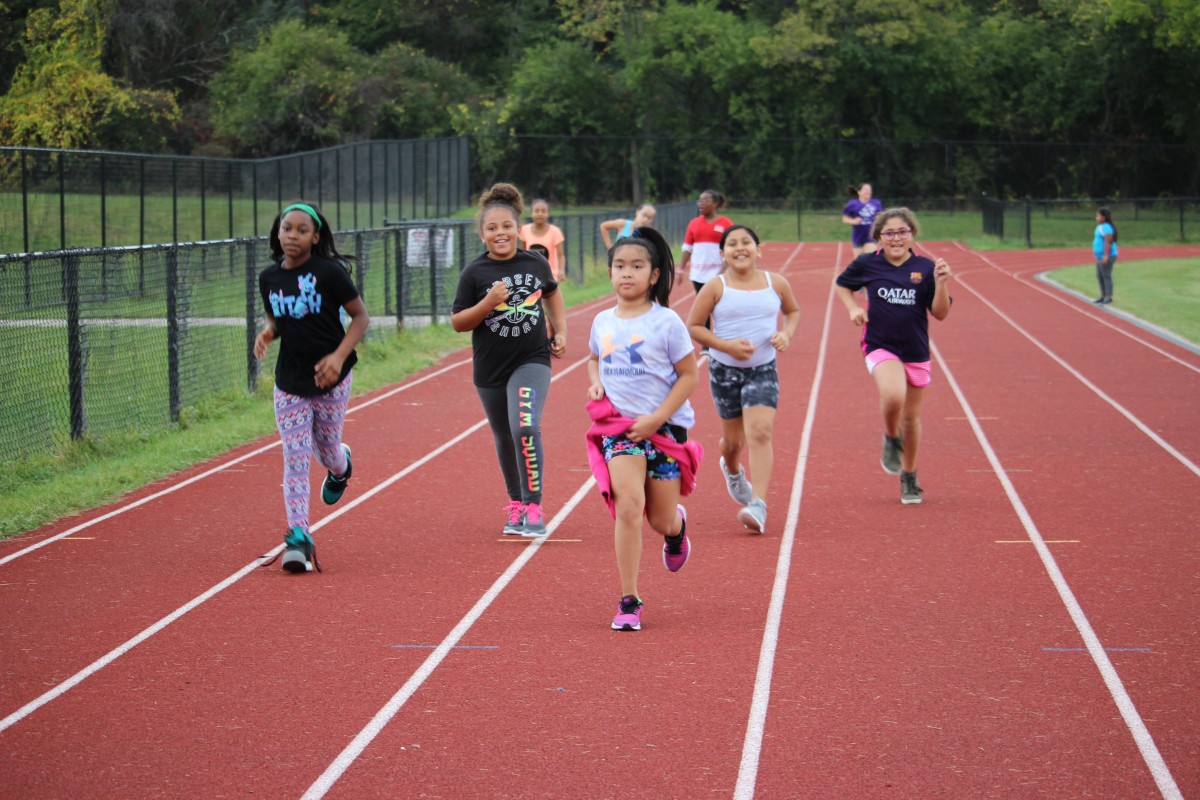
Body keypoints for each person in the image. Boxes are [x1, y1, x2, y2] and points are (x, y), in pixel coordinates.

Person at [585, 226, 703, 631]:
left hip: (665, 432)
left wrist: (657, 418)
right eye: (619, 266)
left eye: (637, 266)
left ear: (654, 275)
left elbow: (689, 376)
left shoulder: (667, 322)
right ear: (610, 271)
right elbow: (592, 357)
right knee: (629, 507)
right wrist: (596, 378)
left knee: (659, 519)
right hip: (620, 431)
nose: (627, 273)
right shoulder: (601, 320)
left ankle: (676, 530)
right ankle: (629, 599)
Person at [254, 202, 369, 573]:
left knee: (328, 450)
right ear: (278, 232)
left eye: (302, 230)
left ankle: (340, 467)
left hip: (332, 378)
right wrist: (269, 332)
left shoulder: (329, 273)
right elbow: (279, 316)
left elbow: (360, 317)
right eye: (287, 228)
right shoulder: (269, 278)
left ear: (315, 237)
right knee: (296, 456)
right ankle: (299, 537)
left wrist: (337, 358)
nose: (292, 235)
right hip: (290, 381)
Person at [453, 183, 568, 537]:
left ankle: (534, 506)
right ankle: (516, 504)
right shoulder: (474, 273)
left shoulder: (534, 261)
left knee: (525, 428)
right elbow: (459, 322)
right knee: (504, 436)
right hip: (489, 369)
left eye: (506, 226)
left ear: (517, 230)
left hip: (531, 359)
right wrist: (488, 303)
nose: (500, 233)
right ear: (482, 234)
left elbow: (551, 292)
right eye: (492, 228)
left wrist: (559, 329)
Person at [833, 207, 952, 505]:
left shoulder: (925, 268)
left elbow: (940, 313)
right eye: (889, 233)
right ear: (879, 237)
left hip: (915, 350)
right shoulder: (867, 264)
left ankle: (909, 477)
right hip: (879, 344)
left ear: (912, 235)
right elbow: (842, 285)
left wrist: (941, 283)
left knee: (911, 419)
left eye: (902, 231)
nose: (896, 238)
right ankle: (890, 437)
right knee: (893, 394)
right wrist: (853, 308)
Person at [686, 225, 801, 533]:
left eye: (746, 242)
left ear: (758, 249)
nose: (740, 247)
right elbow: (694, 326)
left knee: (761, 431)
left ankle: (759, 505)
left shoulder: (775, 283)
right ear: (722, 254)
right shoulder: (715, 286)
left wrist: (786, 334)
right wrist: (726, 346)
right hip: (724, 371)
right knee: (733, 441)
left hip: (763, 368)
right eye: (732, 243)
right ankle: (733, 468)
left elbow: (792, 312)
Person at [679, 190, 733, 334]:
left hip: (719, 274)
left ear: (714, 204)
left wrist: (724, 269)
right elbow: (687, 248)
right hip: (698, 274)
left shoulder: (725, 223)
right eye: (699, 201)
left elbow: (731, 248)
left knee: (719, 306)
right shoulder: (694, 223)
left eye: (705, 201)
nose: (700, 204)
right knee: (703, 306)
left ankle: (724, 334)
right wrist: (680, 269)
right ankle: (707, 342)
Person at [519, 198, 567, 281]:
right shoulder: (524, 230)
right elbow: (523, 253)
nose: (540, 214)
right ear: (531, 213)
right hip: (531, 276)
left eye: (543, 211)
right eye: (536, 211)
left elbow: (560, 255)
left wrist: (561, 270)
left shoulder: (555, 232)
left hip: (551, 275)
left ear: (548, 214)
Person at [841, 183, 883, 256]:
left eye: (870, 190)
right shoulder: (852, 204)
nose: (868, 191)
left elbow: (881, 217)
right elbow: (845, 219)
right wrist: (853, 221)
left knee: (869, 259)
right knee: (859, 262)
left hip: (871, 236)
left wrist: (878, 219)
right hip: (858, 236)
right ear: (859, 192)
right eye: (866, 189)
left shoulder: (876, 203)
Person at [1093, 207, 1119, 304]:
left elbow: (1108, 241)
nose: (1096, 217)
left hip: (1108, 255)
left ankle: (1108, 296)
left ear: (1103, 217)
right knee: (1099, 276)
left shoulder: (1107, 227)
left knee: (1106, 275)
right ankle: (1103, 295)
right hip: (1099, 256)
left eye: (1098, 216)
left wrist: (1105, 255)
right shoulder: (1099, 227)